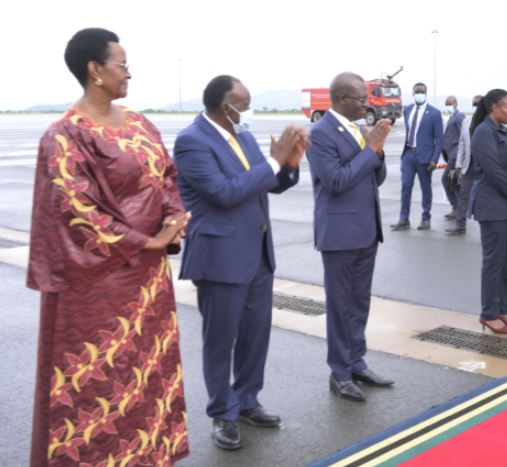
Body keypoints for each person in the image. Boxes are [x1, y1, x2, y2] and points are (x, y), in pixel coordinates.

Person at [28, 27, 191, 465]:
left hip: (149, 280)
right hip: (98, 285)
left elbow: (167, 176)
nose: (129, 74)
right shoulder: (65, 134)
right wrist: (146, 238)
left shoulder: (139, 122)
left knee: (148, 378)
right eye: (122, 65)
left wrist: (174, 221)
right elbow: (76, 209)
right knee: (102, 384)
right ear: (95, 71)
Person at [175, 75, 306, 450]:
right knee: (220, 341)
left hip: (258, 253)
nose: (246, 113)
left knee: (255, 335)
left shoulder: (244, 136)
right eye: (242, 106)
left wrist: (289, 166)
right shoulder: (192, 141)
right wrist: (273, 161)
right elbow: (224, 193)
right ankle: (223, 413)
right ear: (223, 105)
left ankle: (248, 400)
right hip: (220, 257)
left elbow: (267, 182)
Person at [306, 72, 394, 402]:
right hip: (340, 235)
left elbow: (378, 178)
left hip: (366, 231)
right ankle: (339, 372)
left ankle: (356, 361)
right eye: (361, 99)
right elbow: (336, 181)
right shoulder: (320, 133)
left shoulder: (359, 130)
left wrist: (378, 151)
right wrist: (371, 150)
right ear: (343, 99)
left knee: (359, 302)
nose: (366, 104)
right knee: (340, 305)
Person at [469, 89, 507, 334]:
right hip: (492, 205)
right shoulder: (483, 133)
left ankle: (503, 309)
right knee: (493, 262)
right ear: (494, 107)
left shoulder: (504, 132)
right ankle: (488, 313)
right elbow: (493, 170)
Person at [391, 82, 444, 231]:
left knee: (425, 188)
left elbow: (439, 139)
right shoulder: (407, 109)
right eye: (417, 91)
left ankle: (425, 218)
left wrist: (434, 159)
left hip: (425, 157)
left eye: (422, 91)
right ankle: (404, 218)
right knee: (406, 185)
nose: (419, 93)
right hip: (408, 154)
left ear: (425, 94)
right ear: (413, 93)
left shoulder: (434, 113)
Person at [447, 95, 483, 235]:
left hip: (484, 167)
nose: (477, 107)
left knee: (484, 197)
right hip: (469, 164)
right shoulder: (466, 122)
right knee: (463, 194)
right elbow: (462, 144)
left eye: (479, 104)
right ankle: (460, 226)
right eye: (474, 104)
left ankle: (487, 229)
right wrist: (458, 165)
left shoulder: (489, 122)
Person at [441, 96, 465, 220]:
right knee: (453, 183)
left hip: (456, 156)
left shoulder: (459, 116)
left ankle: (457, 208)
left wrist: (461, 158)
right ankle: (457, 209)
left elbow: (465, 135)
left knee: (447, 180)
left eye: (450, 103)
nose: (448, 106)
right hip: (451, 155)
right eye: (446, 104)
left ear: (456, 103)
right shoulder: (451, 117)